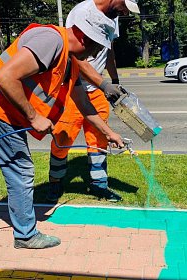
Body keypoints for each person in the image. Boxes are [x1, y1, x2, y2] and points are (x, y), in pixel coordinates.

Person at [0, 8, 124, 250]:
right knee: (20, 168)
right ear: (85, 38)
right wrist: (34, 117)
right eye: (96, 47)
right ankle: (25, 235)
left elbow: (84, 104)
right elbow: (5, 77)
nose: (94, 55)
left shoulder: (69, 61)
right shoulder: (50, 41)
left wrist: (109, 133)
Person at [47, 0, 140, 203]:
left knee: (99, 140)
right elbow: (74, 56)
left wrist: (114, 81)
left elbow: (109, 51)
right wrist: (104, 83)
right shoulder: (82, 12)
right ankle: (55, 183)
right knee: (63, 138)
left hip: (97, 89)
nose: (125, 12)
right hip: (72, 88)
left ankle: (99, 185)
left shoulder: (113, 18)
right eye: (125, 6)